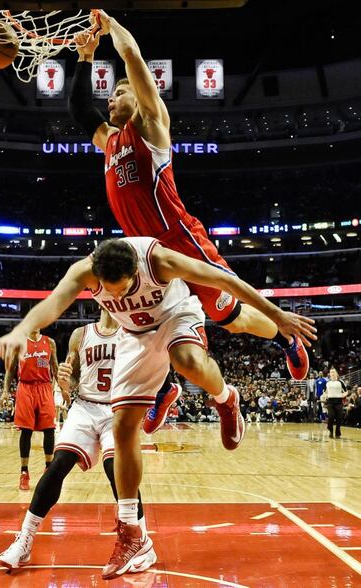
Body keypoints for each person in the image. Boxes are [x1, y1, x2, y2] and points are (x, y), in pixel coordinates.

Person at [0, 236, 316, 580]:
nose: (117, 298)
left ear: (135, 271)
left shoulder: (158, 260)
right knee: (122, 428)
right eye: (110, 291)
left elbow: (225, 279)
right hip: (136, 336)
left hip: (175, 316)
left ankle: (225, 398)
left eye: (123, 289)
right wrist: (21, 329)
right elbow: (54, 303)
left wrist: (277, 313)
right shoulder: (85, 271)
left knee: (186, 359)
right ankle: (133, 535)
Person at [68, 10, 310, 418]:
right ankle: (167, 387)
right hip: (144, 253)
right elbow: (79, 109)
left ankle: (285, 338)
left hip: (180, 237)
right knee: (143, 322)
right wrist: (84, 58)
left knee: (231, 318)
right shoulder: (107, 141)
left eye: (118, 93)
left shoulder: (151, 125)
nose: (109, 99)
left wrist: (110, 28)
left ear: (138, 98)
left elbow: (132, 56)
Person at [0, 309, 156, 573]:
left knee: (115, 468)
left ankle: (143, 541)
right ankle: (24, 540)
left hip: (116, 410)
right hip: (85, 406)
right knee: (58, 465)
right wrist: (65, 381)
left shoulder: (132, 333)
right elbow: (71, 373)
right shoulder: (80, 335)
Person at [0, 329, 58, 490]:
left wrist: (63, 389)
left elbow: (55, 367)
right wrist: (5, 391)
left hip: (45, 387)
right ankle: (24, 472)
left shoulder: (49, 342)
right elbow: (10, 370)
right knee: (26, 430)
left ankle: (49, 468)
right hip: (25, 387)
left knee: (49, 429)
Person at [325, 367, 347, 439]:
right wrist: (325, 396)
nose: (332, 373)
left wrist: (343, 395)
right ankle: (330, 430)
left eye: (334, 372)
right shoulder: (328, 383)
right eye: (331, 372)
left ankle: (337, 432)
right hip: (330, 402)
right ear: (330, 374)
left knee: (339, 418)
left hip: (339, 402)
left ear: (336, 373)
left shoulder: (340, 382)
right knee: (331, 416)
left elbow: (346, 391)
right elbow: (326, 392)